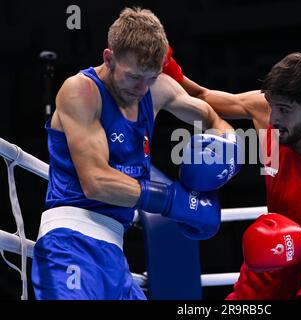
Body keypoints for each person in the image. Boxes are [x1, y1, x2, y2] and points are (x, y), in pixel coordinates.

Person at [31, 7, 241, 300]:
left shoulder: (156, 88)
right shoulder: (81, 91)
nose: (142, 88)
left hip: (115, 253)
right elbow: (96, 182)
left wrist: (225, 153)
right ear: (109, 58)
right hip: (70, 244)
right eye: (133, 77)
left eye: (151, 77)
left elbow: (211, 117)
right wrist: (174, 200)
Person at [163, 49, 301, 300]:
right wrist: (165, 63)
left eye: (284, 110)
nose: (273, 119)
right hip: (274, 254)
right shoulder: (266, 112)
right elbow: (201, 96)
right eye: (272, 106)